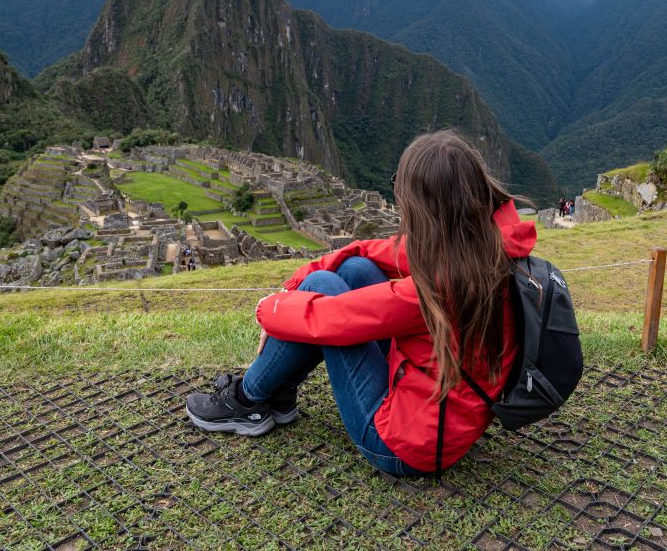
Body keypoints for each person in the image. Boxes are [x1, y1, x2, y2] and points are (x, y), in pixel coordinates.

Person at [184, 131, 530, 477]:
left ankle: (245, 401)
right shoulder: (482, 249)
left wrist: (269, 308)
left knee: (322, 288)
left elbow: (330, 318)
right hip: (445, 416)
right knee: (356, 268)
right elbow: (371, 251)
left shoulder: (437, 289)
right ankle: (280, 394)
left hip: (404, 446)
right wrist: (292, 284)